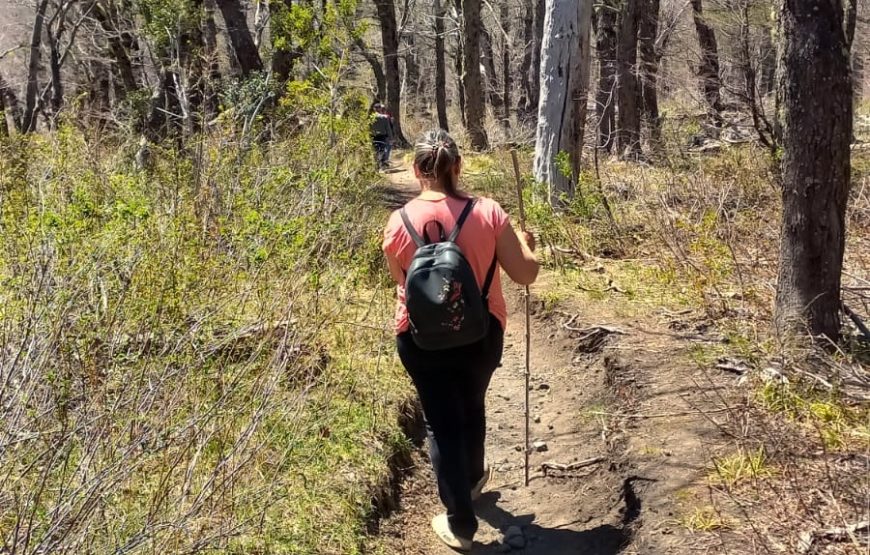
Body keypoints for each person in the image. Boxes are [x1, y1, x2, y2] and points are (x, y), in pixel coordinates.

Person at [382, 129, 539, 551]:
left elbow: (403, 283)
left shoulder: (398, 222)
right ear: (459, 167)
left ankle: (460, 522)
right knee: (472, 403)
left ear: (416, 170)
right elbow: (526, 274)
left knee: (440, 420)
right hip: (482, 333)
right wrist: (528, 247)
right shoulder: (488, 212)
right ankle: (468, 486)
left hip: (419, 338)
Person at [370, 103, 394, 170]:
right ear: (380, 108)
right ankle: (382, 164)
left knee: (374, 151)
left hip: (373, 137)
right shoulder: (384, 117)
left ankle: (375, 165)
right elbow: (388, 129)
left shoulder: (370, 117)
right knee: (382, 150)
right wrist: (391, 138)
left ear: (374, 109)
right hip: (382, 137)